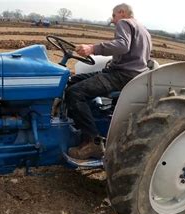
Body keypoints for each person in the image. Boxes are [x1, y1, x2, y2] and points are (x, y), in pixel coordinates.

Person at [65, 3, 152, 160]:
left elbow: (122, 45)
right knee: (73, 80)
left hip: (121, 75)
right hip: (131, 74)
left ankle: (92, 143)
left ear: (121, 12)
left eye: (114, 16)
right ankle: (79, 124)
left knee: (75, 92)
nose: (113, 21)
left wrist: (92, 48)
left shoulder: (125, 22)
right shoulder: (144, 30)